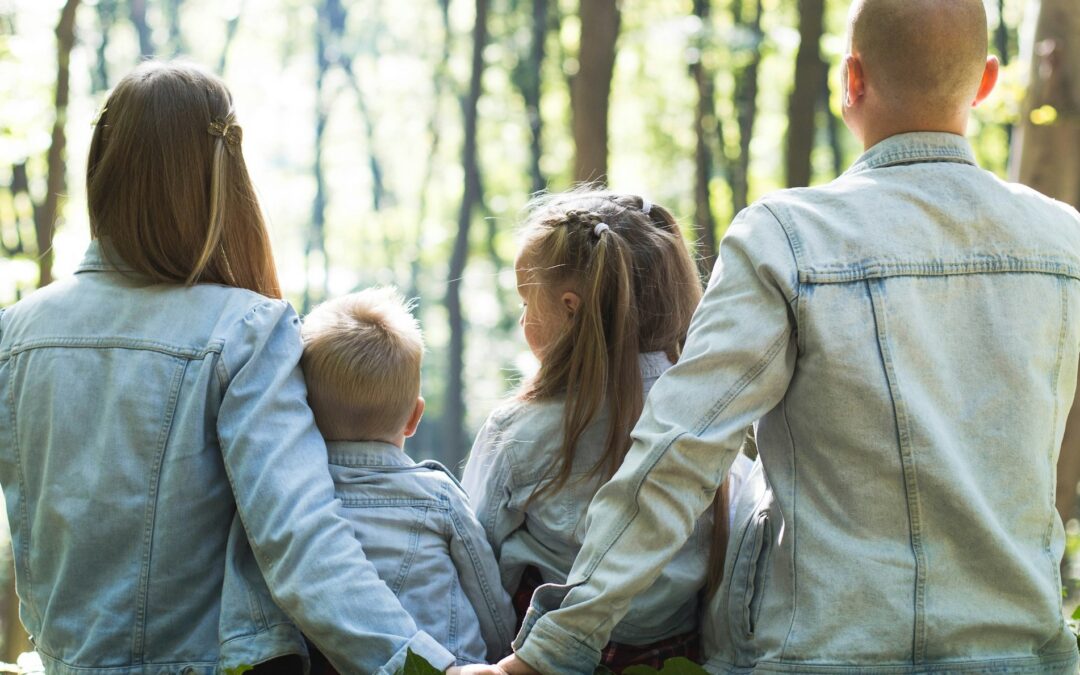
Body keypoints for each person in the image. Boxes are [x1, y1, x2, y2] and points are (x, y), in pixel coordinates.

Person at [488, 1, 1080, 673]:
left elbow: (680, 451)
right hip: (1024, 659)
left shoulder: (788, 239)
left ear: (850, 79)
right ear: (986, 82)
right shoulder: (1066, 245)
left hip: (817, 655)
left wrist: (550, 649)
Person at [0, 61, 484, 675]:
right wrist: (427, 666)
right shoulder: (245, 330)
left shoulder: (14, 332)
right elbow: (300, 540)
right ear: (221, 178)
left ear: (102, 165)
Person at [461, 190, 757, 671]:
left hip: (537, 663)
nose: (522, 319)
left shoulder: (519, 432)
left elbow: (476, 559)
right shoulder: (713, 429)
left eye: (526, 302)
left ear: (571, 308)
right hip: (676, 660)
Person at [298, 287, 515, 666]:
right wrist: (502, 655)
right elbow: (489, 601)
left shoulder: (295, 500)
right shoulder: (438, 497)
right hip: (448, 665)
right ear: (415, 418)